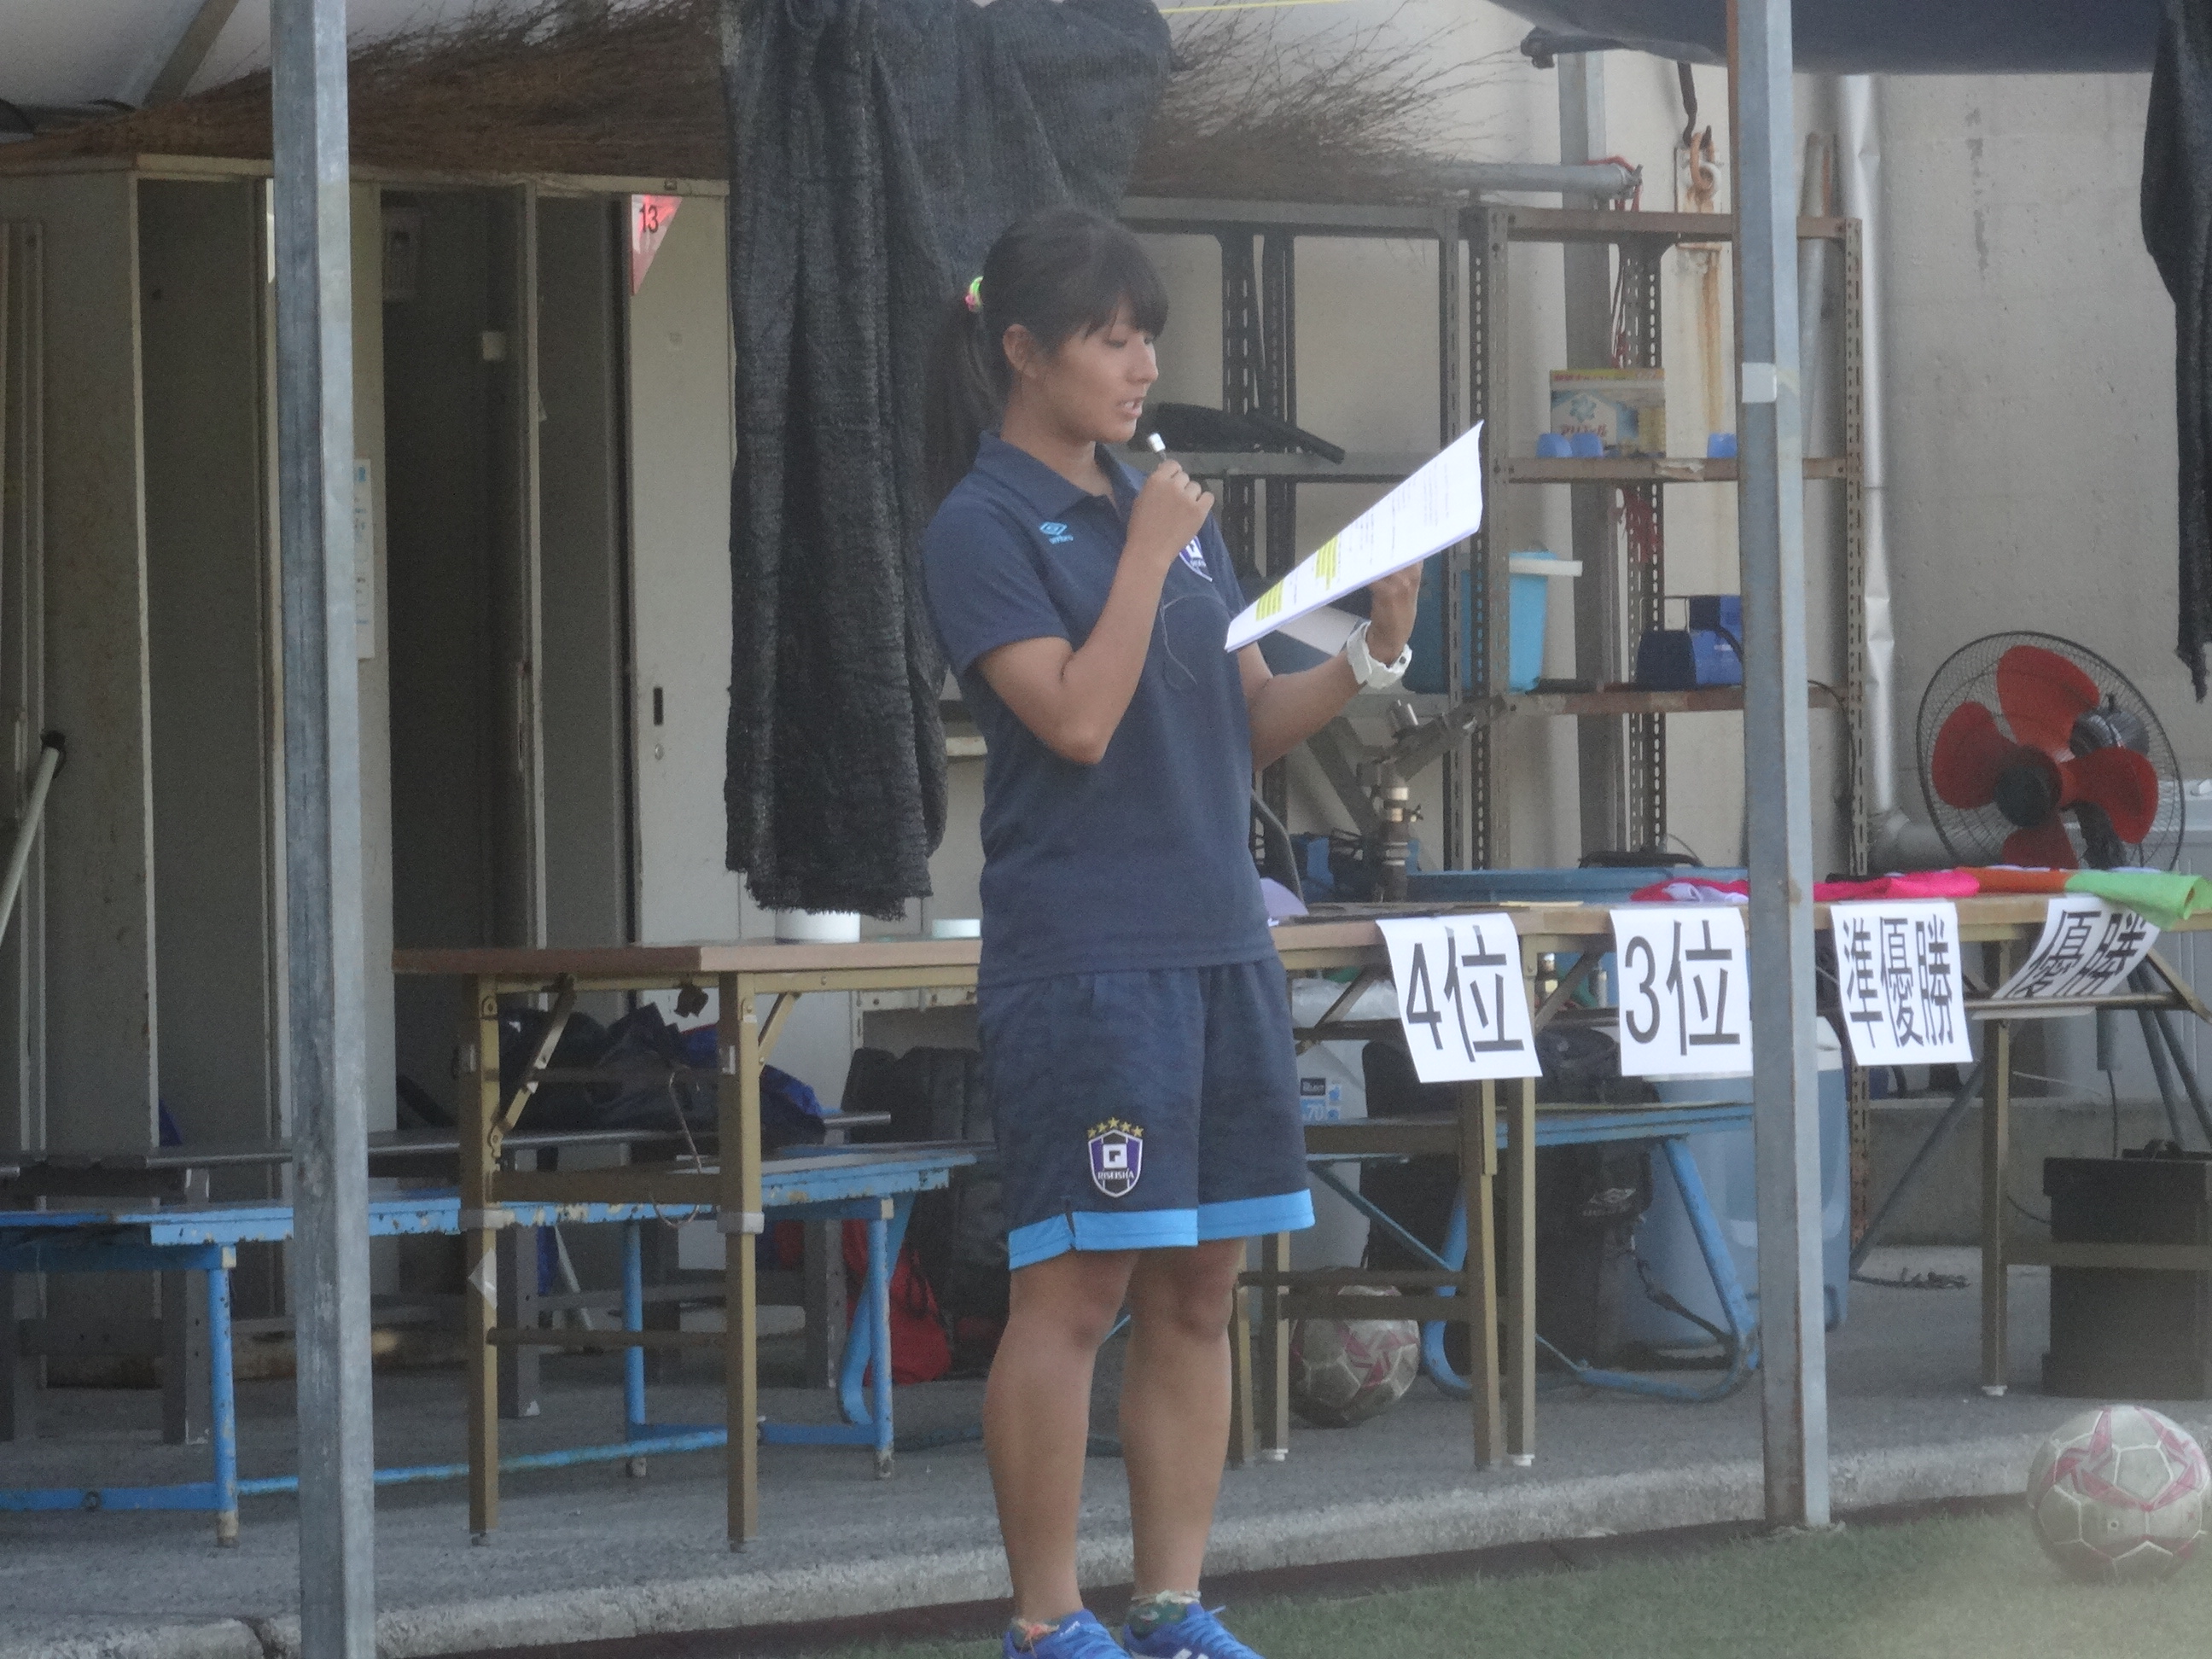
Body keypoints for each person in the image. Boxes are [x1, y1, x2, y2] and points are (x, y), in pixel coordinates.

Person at [919, 204, 1422, 1659]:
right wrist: (1146, 554)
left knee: (1202, 1287)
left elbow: (1244, 723)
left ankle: (1173, 1607)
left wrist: (1372, 649)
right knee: (1074, 1291)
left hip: (1220, 946)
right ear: (1024, 350)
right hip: (1089, 960)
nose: (1142, 366)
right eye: (1111, 338)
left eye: (1148, 337)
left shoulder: (1164, 507)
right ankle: (1046, 1624)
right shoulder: (982, 526)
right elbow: (1076, 719)